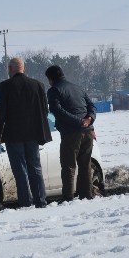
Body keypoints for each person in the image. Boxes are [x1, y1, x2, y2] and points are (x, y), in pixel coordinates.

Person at [0, 57, 52, 208]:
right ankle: (40, 200)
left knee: (20, 170)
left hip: (14, 135)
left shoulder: (5, 86)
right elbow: (45, 110)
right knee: (35, 167)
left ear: (11, 69)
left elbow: (0, 112)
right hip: (34, 134)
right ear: (23, 68)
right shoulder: (38, 85)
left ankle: (25, 202)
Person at [45, 65, 96, 201]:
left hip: (71, 133)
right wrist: (89, 119)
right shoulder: (77, 87)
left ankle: (68, 198)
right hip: (88, 132)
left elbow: (57, 111)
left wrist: (79, 122)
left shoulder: (54, 90)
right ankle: (87, 196)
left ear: (50, 78)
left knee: (68, 166)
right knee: (85, 165)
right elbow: (91, 106)